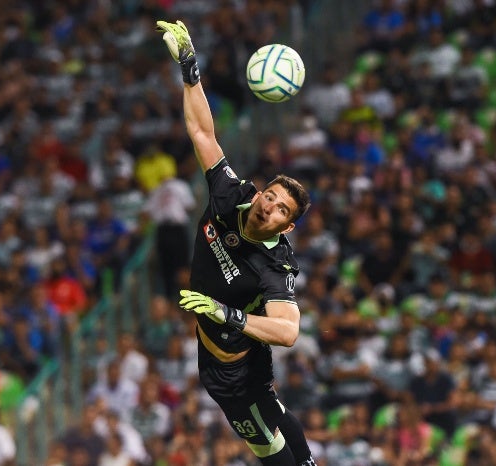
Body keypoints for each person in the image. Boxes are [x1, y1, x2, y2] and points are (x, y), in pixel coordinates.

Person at [155, 20, 316, 466]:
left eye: (283, 210)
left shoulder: (275, 265)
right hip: (210, 349)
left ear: (287, 227)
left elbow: (288, 331)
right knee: (274, 417)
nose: (270, 206)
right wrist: (190, 71)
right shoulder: (231, 195)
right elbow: (203, 133)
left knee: (268, 447)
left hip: (236, 368)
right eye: (271, 196)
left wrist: (229, 315)